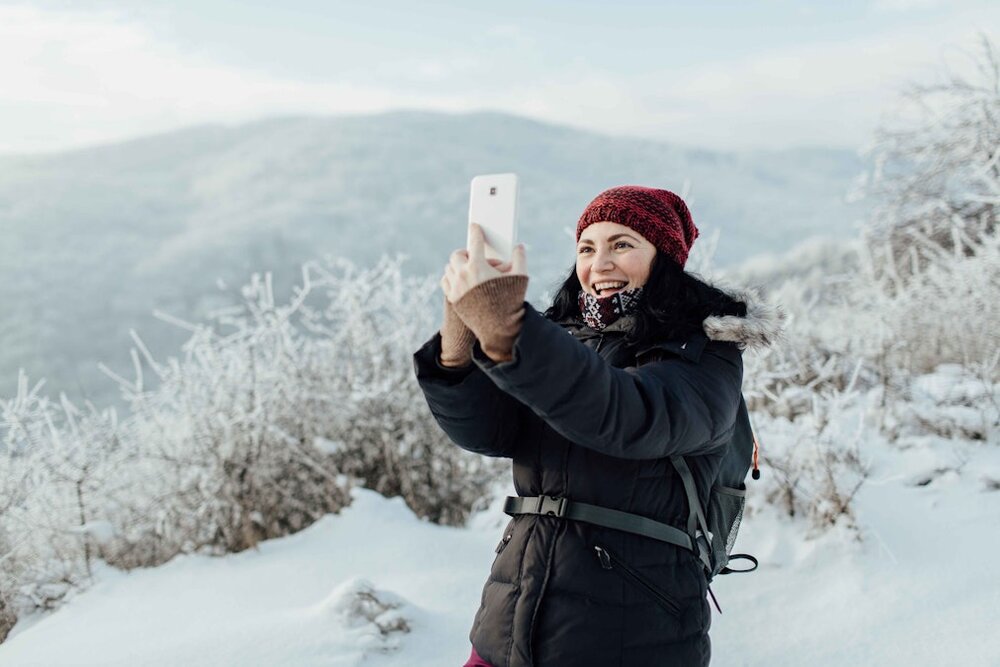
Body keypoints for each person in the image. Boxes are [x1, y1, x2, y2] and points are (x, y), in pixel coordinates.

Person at [412, 186, 784, 667]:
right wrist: (457, 346)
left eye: (622, 244)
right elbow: (489, 433)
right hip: (508, 627)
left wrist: (513, 331)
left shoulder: (705, 355)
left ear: (664, 258)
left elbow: (629, 417)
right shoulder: (566, 341)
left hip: (631, 636)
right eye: (587, 248)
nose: (600, 263)